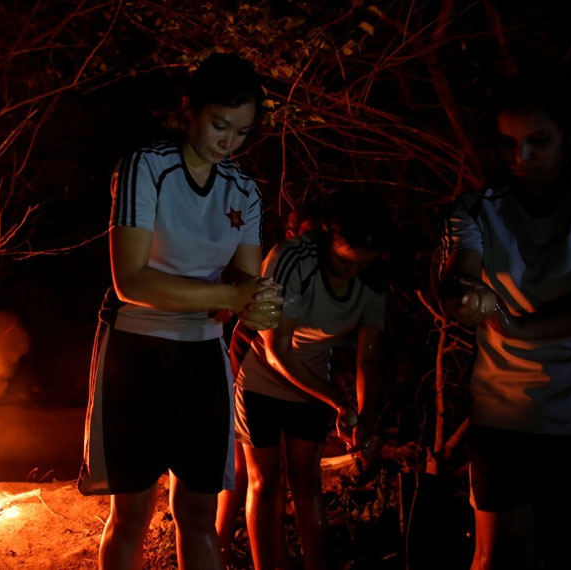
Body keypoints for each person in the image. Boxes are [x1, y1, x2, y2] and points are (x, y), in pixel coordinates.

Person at [78, 52, 283, 570]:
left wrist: (259, 305)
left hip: (202, 356)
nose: (228, 142)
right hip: (136, 349)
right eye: (219, 125)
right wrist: (230, 298)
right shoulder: (145, 167)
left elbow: (245, 282)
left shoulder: (244, 190)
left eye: (242, 132)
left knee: (197, 511)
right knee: (131, 513)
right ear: (189, 108)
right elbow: (131, 281)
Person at [440, 61, 571, 569]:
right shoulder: (478, 208)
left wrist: (522, 327)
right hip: (506, 411)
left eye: (539, 141)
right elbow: (460, 271)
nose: (523, 157)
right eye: (508, 143)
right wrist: (462, 294)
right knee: (496, 555)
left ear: (566, 136)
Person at [235, 189, 390, 570]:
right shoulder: (293, 259)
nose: (353, 272)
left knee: (307, 483)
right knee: (265, 482)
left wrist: (365, 420)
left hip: (312, 385)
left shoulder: (373, 279)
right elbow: (277, 349)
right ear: (327, 238)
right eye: (345, 262)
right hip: (262, 379)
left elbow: (369, 356)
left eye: (363, 265)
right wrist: (338, 400)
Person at [216, 208, 319, 568]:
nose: (313, 241)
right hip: (249, 359)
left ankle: (275, 556)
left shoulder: (318, 271)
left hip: (289, 371)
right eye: (305, 232)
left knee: (275, 476)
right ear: (290, 233)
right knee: (243, 469)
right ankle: (219, 546)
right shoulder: (281, 264)